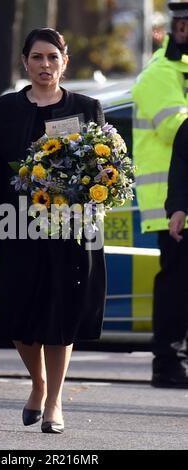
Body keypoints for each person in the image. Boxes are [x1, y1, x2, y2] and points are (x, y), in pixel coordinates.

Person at [0, 28, 106, 433]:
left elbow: (102, 170)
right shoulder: (3, 111)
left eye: (52, 57)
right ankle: (38, 382)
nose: (45, 65)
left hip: (70, 231)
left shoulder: (87, 107)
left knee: (61, 316)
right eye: (37, 57)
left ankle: (53, 402)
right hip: (16, 228)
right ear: (25, 62)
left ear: (64, 62)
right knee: (17, 315)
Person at [132, 1, 188, 388]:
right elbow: (178, 131)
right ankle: (166, 363)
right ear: (180, 29)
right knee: (176, 289)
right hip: (171, 205)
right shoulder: (159, 74)